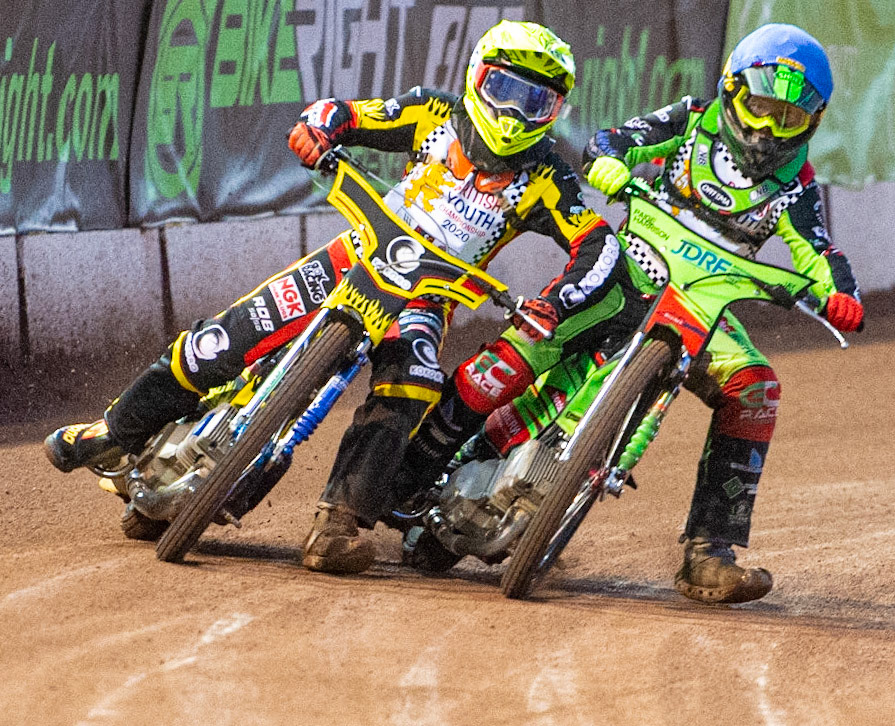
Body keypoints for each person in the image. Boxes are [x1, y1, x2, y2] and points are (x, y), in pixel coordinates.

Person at [43, 20, 643, 574]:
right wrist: (317, 130)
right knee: (221, 340)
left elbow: (601, 249)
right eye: (506, 89)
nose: (515, 111)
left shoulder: (549, 178)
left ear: (555, 109)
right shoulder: (432, 114)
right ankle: (113, 431)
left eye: (536, 100)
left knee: (411, 387)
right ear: (477, 77)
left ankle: (339, 522)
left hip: (428, 298)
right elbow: (344, 112)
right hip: (353, 256)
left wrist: (559, 300)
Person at [580, 23, 865, 604]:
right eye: (759, 106)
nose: (765, 129)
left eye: (786, 118)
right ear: (732, 90)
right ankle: (428, 466)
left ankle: (710, 553)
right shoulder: (690, 120)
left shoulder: (797, 186)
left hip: (704, 303)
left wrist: (842, 295)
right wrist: (609, 162)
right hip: (628, 269)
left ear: (812, 123)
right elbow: (609, 139)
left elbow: (821, 251)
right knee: (542, 327)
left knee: (755, 386)